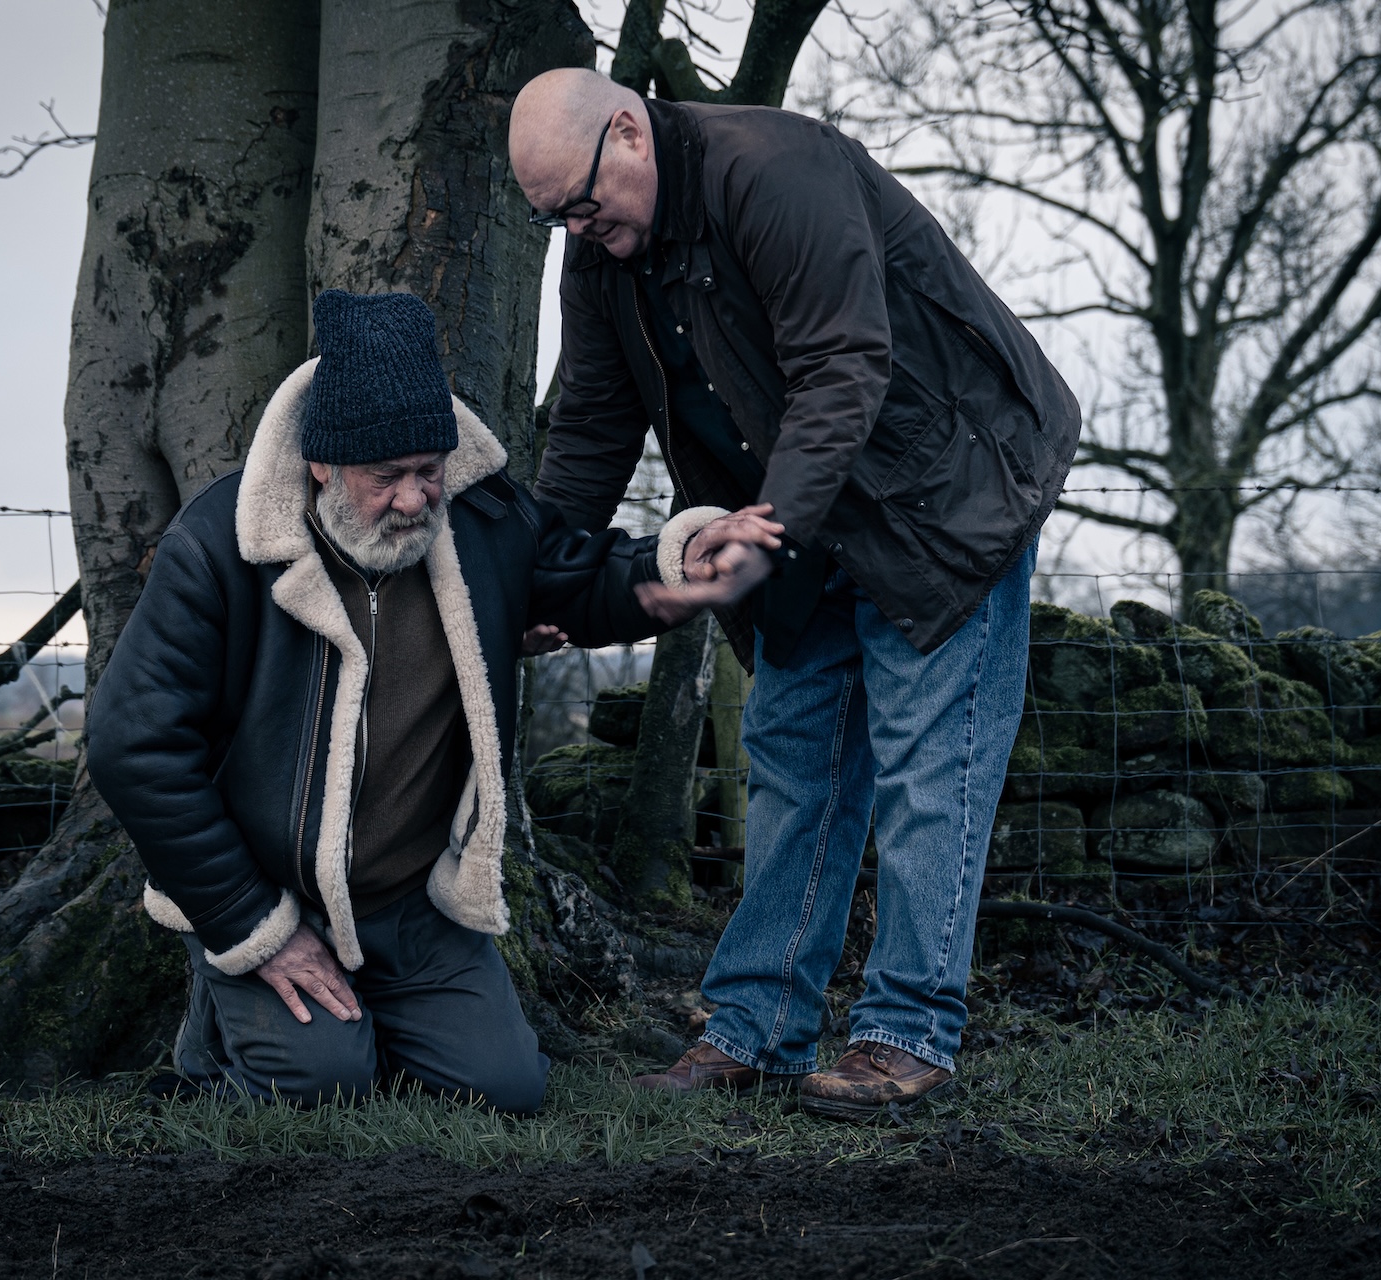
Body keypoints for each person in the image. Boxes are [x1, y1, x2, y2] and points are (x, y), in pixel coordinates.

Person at [508, 69, 1083, 1120]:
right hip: (796, 518)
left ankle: (907, 1035)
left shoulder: (776, 170)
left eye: (582, 204)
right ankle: (756, 1031)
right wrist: (547, 570)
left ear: (628, 131)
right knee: (790, 763)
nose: (577, 230)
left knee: (928, 764)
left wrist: (759, 532)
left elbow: (842, 366)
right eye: (553, 218)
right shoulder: (600, 253)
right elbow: (592, 420)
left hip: (943, 495)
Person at [86, 289, 768, 1112]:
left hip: (414, 904)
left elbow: (574, 575)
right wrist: (248, 925)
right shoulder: (218, 547)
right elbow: (134, 745)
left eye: (428, 470)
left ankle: (360, 1026)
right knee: (322, 1088)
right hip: (273, 894)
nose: (414, 499)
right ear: (323, 463)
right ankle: (227, 1018)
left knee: (507, 1091)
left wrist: (676, 560)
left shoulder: (478, 515)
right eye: (387, 477)